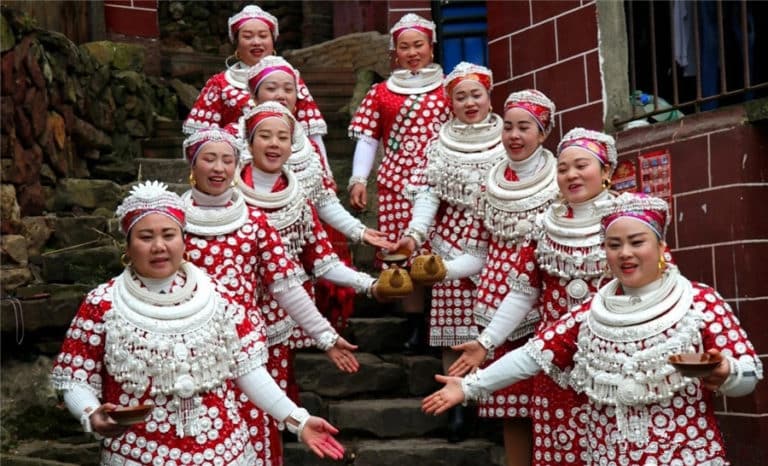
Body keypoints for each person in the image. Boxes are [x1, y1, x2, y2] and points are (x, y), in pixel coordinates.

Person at [424, 191, 763, 465]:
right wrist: (470, 387)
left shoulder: (697, 302)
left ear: (660, 248)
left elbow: (749, 376)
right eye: (614, 246)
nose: (625, 254)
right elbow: (533, 355)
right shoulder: (591, 313)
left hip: (687, 457)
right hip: (607, 456)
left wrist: (726, 371)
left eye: (636, 242)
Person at [50, 180, 345, 465]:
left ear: (183, 240)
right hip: (137, 455)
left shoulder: (219, 298)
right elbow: (76, 377)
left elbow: (250, 372)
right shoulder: (102, 303)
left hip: (224, 453)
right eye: (145, 237)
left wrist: (298, 420)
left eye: (168, 234)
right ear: (127, 246)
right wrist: (90, 413)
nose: (159, 246)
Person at [180, 127, 358, 464]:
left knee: (252, 432)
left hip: (246, 346)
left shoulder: (254, 222)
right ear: (192, 163)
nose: (218, 168)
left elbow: (287, 286)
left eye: (227, 160)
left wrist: (326, 337)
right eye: (209, 159)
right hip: (188, 349)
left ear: (236, 165)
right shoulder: (172, 221)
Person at [234, 101, 383, 460]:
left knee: (269, 414)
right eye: (265, 136)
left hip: (277, 322)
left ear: (293, 144)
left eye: (282, 137)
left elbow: (322, 261)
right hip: (226, 321)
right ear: (249, 142)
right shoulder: (226, 196)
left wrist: (370, 285)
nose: (274, 144)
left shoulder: (298, 199)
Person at [424, 89, 559, 463]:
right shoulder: (490, 183)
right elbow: (476, 256)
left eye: (525, 128)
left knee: (550, 409)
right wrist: (440, 271)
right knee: (513, 413)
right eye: (510, 127)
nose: (514, 135)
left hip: (548, 310)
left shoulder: (561, 183)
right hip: (497, 307)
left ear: (544, 133)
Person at [392, 61, 504, 439]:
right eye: (461, 96)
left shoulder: (509, 139)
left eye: (477, 94)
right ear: (449, 102)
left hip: (499, 241)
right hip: (450, 244)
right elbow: (427, 193)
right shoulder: (437, 144)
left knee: (494, 328)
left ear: (489, 96)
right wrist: (414, 233)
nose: (470, 102)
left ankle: (493, 406)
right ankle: (458, 406)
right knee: (452, 330)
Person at [246, 56, 395, 330]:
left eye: (288, 89)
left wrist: (359, 231)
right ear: (254, 95)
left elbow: (323, 200)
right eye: (271, 88)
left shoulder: (305, 146)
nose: (281, 95)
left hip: (291, 264)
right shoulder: (230, 147)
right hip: (241, 270)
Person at [347, 13, 451, 351]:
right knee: (404, 259)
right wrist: (359, 179)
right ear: (396, 52)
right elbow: (367, 138)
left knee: (439, 254)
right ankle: (414, 327)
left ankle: (445, 322)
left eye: (418, 44)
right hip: (396, 184)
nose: (412, 52)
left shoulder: (450, 88)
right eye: (404, 46)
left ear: (431, 47)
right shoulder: (381, 92)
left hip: (443, 183)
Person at [183, 5, 331, 174]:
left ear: (273, 40)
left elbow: (312, 134)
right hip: (234, 168)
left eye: (263, 36)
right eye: (248, 36)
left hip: (290, 166)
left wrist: (325, 171)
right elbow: (200, 139)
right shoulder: (220, 83)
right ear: (236, 43)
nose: (256, 42)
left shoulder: (292, 79)